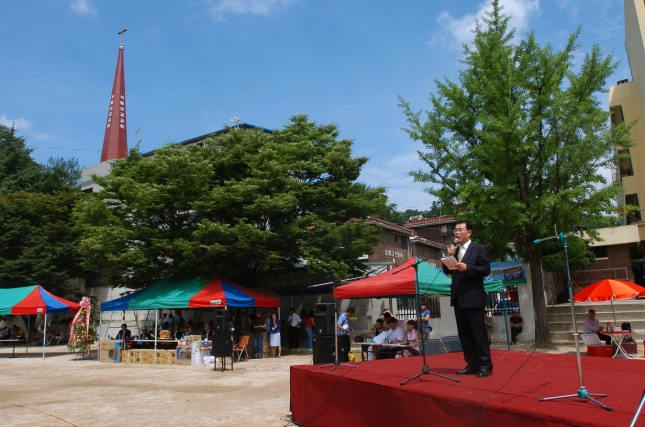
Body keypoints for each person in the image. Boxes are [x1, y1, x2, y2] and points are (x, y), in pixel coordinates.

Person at [443, 219, 493, 378]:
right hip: (458, 298)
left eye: (459, 229)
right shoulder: (454, 250)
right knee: (464, 335)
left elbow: (485, 269)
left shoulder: (479, 249)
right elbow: (447, 271)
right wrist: (449, 256)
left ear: (469, 232)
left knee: (478, 333)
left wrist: (468, 268)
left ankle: (486, 365)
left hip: (473, 297)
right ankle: (472, 363)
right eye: (455, 230)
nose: (456, 233)